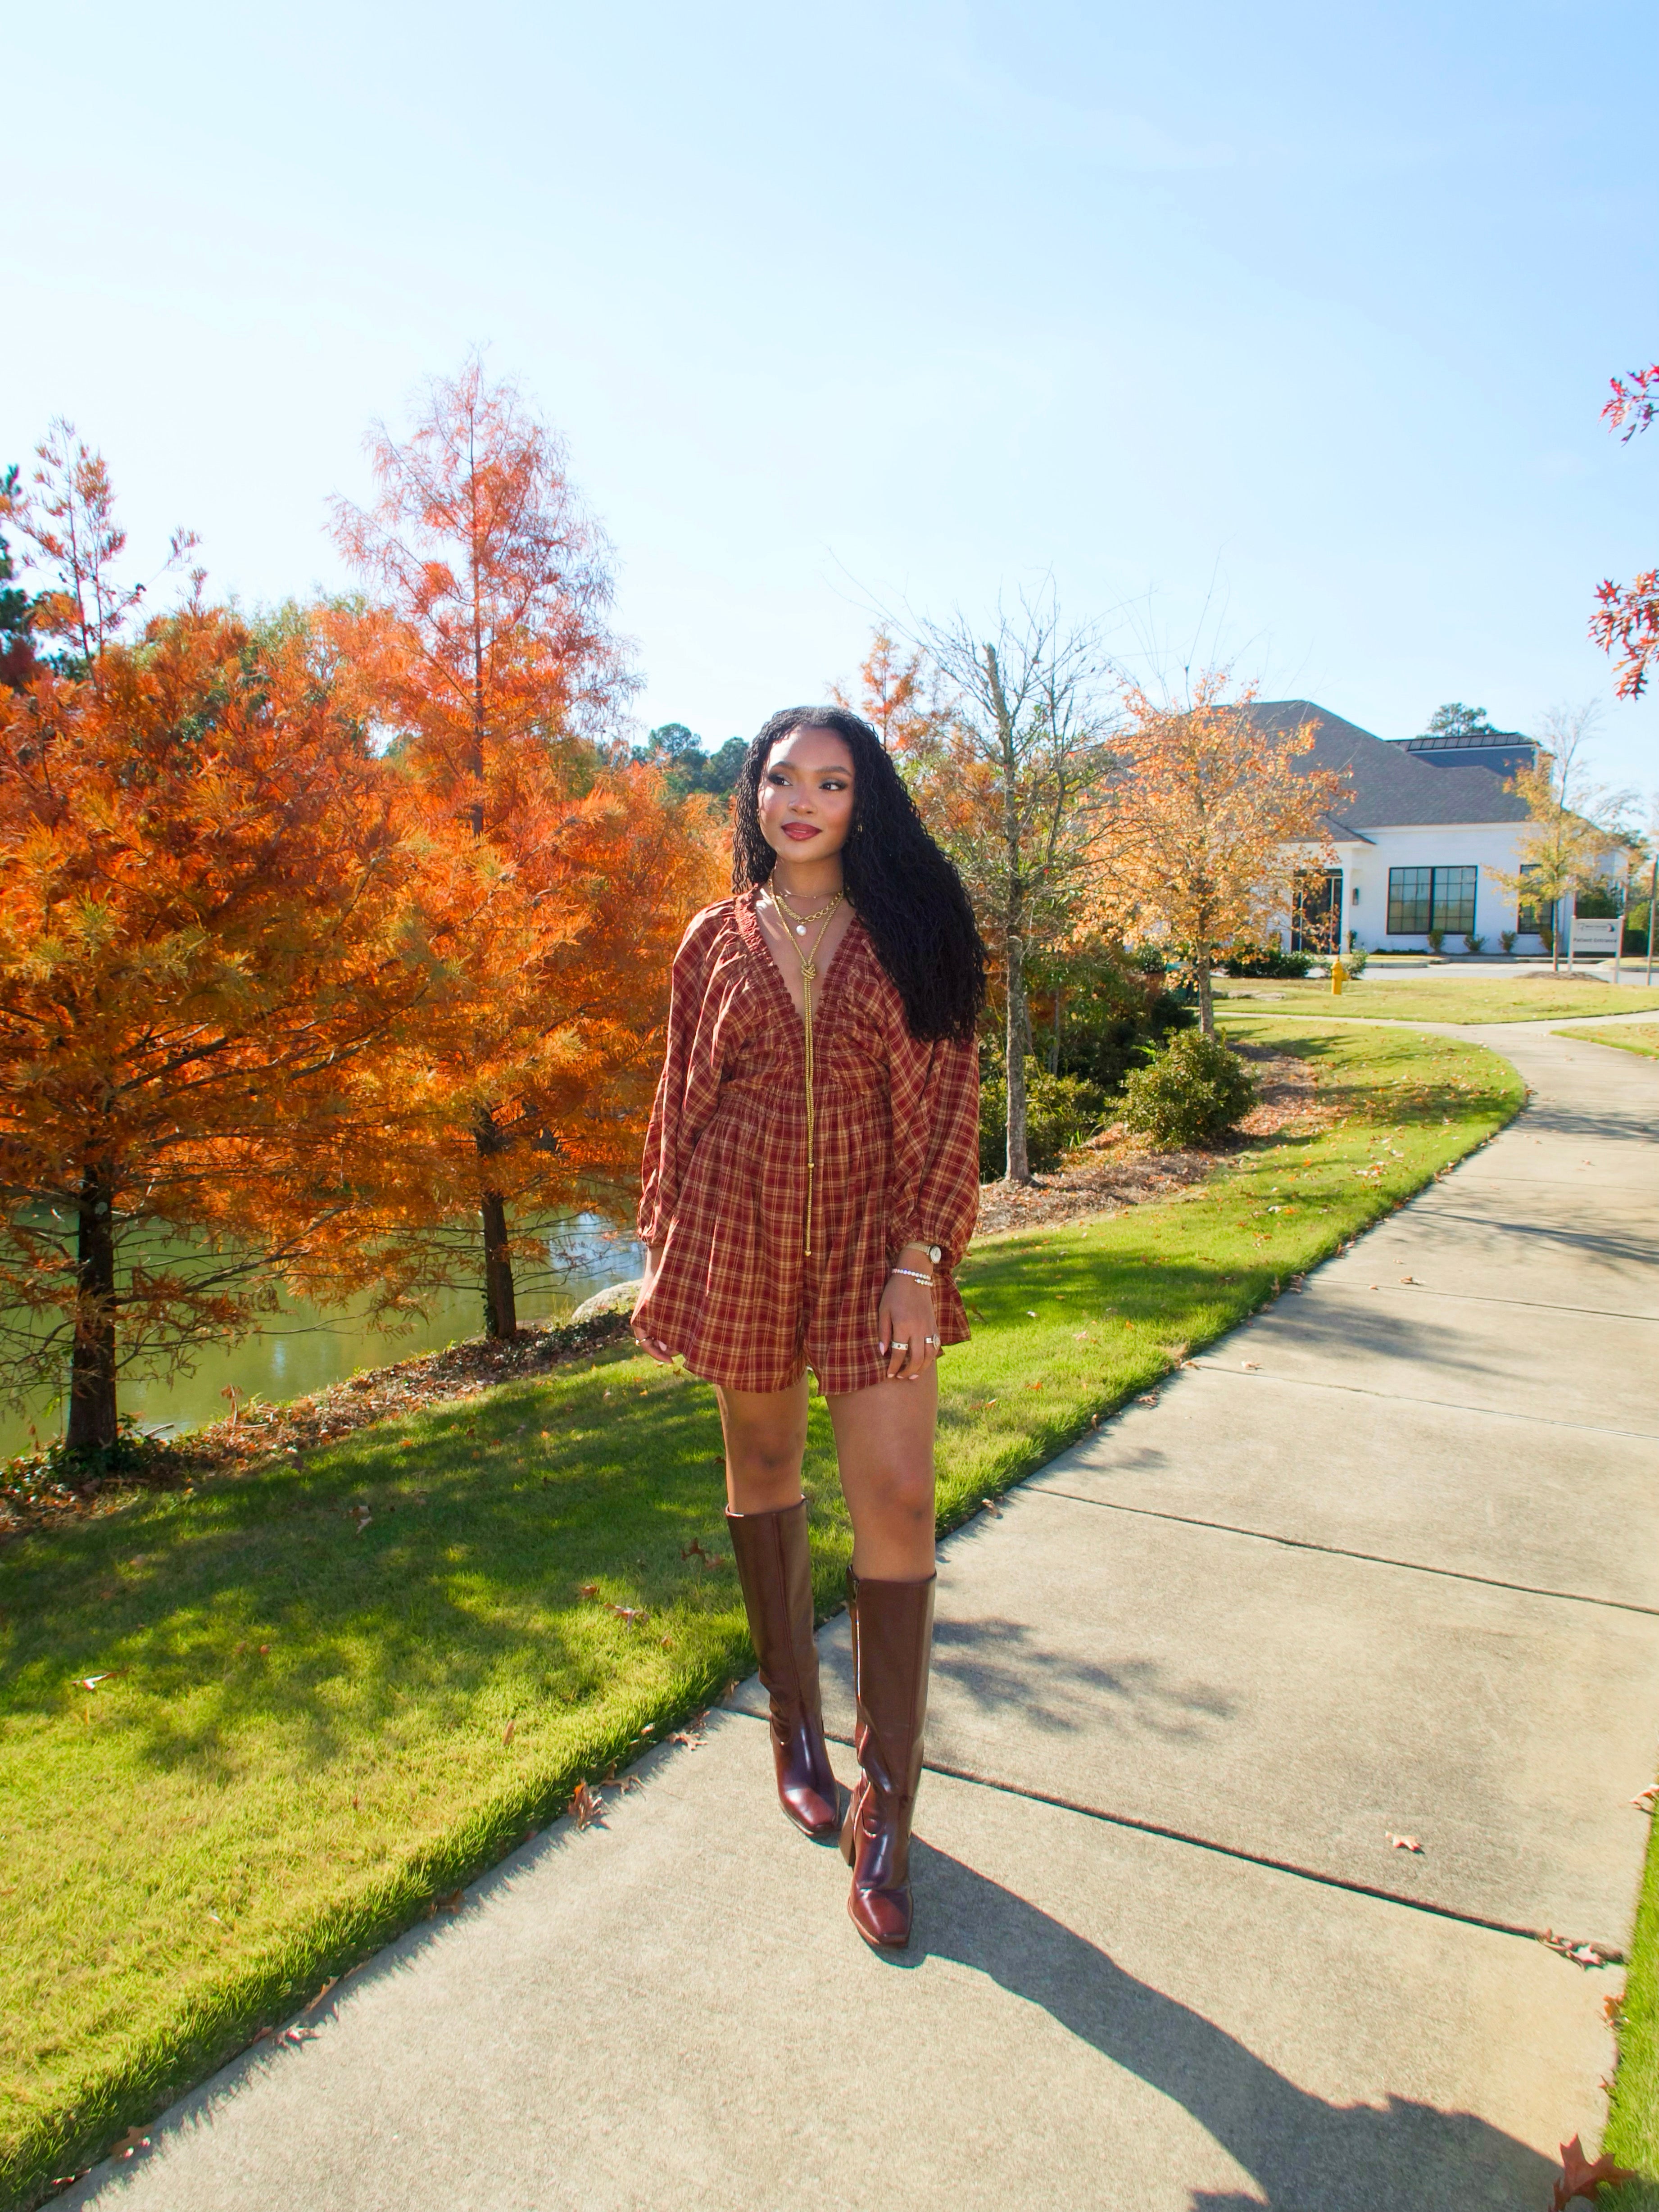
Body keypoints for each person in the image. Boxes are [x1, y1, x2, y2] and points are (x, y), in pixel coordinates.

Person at [632, 704, 986, 1949]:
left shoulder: (914, 933)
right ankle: (791, 1728)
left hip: (870, 1251)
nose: (802, 801)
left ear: (862, 802)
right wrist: (664, 1240)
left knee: (895, 1501)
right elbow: (680, 1103)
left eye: (830, 783)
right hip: (736, 1236)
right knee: (763, 1471)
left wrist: (918, 1259)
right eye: (782, 778)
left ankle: (885, 1810)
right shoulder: (711, 940)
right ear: (754, 797)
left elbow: (947, 1113)